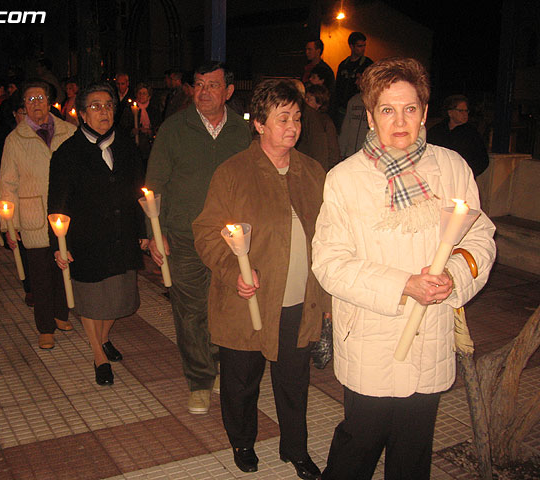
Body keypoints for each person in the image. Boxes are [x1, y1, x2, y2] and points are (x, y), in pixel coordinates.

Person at [311, 57, 496, 479]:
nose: (400, 120)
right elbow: (329, 261)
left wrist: (454, 277)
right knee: (359, 442)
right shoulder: (345, 179)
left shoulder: (451, 168)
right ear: (371, 117)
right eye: (387, 110)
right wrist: (403, 285)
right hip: (371, 335)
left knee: (413, 453)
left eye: (410, 108)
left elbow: (479, 236)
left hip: (430, 335)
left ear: (425, 113)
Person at [192, 79, 328, 479]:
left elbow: (331, 235)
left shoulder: (312, 172)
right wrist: (233, 271)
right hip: (246, 300)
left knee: (293, 382)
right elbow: (206, 230)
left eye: (297, 118)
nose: (293, 126)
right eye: (283, 118)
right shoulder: (233, 172)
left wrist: (328, 303)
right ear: (260, 124)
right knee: (241, 381)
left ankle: (295, 448)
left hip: (297, 302)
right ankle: (242, 441)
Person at [145, 62, 251, 415]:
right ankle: (200, 380)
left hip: (229, 239)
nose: (204, 92)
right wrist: (154, 236)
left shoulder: (243, 131)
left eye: (213, 85)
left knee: (225, 306)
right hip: (184, 235)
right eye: (199, 85)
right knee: (190, 311)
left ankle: (219, 364)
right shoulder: (175, 129)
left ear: (229, 91)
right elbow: (153, 186)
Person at [48, 83, 146, 386]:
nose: (103, 111)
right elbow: (57, 202)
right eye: (95, 106)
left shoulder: (127, 147)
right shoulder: (68, 153)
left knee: (118, 299)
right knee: (91, 299)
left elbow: (139, 191)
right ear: (82, 113)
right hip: (86, 237)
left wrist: (143, 231)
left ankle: (104, 338)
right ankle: (98, 355)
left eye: (108, 105)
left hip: (122, 234)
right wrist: (58, 244)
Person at [0, 80, 77, 350]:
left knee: (63, 265)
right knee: (40, 273)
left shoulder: (68, 131)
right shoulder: (15, 139)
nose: (36, 104)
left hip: (63, 212)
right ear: (23, 106)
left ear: (50, 101)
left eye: (40, 98)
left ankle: (60, 314)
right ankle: (45, 327)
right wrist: (9, 224)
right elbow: (7, 183)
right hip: (33, 212)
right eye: (30, 100)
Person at [427, 94, 490, 178]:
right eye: (461, 111)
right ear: (450, 112)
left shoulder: (472, 133)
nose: (465, 114)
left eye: (466, 111)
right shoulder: (437, 131)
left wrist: (467, 173)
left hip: (461, 178)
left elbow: (482, 160)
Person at [331, 32, 373, 129]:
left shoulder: (368, 64)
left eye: (364, 46)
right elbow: (337, 88)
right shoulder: (343, 65)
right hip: (342, 109)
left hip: (359, 109)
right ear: (351, 46)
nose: (363, 49)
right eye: (359, 46)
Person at [304, 84, 340, 171]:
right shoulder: (304, 118)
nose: (306, 101)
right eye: (305, 98)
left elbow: (332, 150)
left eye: (310, 99)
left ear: (319, 103)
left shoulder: (324, 122)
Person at [132, 82, 162, 173]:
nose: (141, 96)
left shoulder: (154, 110)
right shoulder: (130, 110)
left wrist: (150, 131)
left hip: (149, 146)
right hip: (135, 145)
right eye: (140, 93)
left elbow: (158, 126)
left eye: (144, 93)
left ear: (149, 96)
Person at [338, 73, 369, 158]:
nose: (356, 82)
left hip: (366, 156)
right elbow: (345, 128)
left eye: (359, 79)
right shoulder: (353, 100)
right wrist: (341, 150)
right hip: (349, 154)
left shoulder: (376, 101)